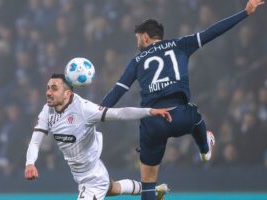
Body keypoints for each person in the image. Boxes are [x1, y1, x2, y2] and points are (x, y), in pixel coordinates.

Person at [101, 0, 264, 199]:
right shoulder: (180, 44)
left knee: (149, 183)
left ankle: (152, 191)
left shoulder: (136, 61)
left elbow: (118, 91)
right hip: (180, 116)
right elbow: (213, 32)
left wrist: (96, 112)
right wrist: (245, 13)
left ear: (145, 37)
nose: (137, 44)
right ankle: (205, 148)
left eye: (137, 39)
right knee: (196, 116)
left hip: (152, 123)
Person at [24, 74, 171, 200]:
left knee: (110, 187)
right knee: (114, 188)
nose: (48, 92)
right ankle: (155, 191)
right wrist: (30, 163)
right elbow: (35, 141)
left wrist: (149, 111)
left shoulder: (84, 109)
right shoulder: (47, 110)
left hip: (93, 179)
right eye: (48, 88)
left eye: (54, 88)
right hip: (86, 171)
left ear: (67, 94)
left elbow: (119, 113)